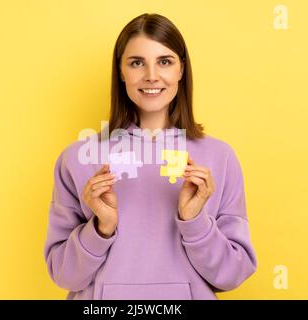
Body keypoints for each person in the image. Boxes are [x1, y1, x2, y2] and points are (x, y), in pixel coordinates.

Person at [43, 13, 257, 300]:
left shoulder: (219, 157)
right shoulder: (77, 158)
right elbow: (64, 275)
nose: (152, 76)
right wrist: (100, 228)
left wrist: (194, 221)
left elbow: (231, 275)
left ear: (182, 70)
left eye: (165, 61)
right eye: (136, 63)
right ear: (120, 71)